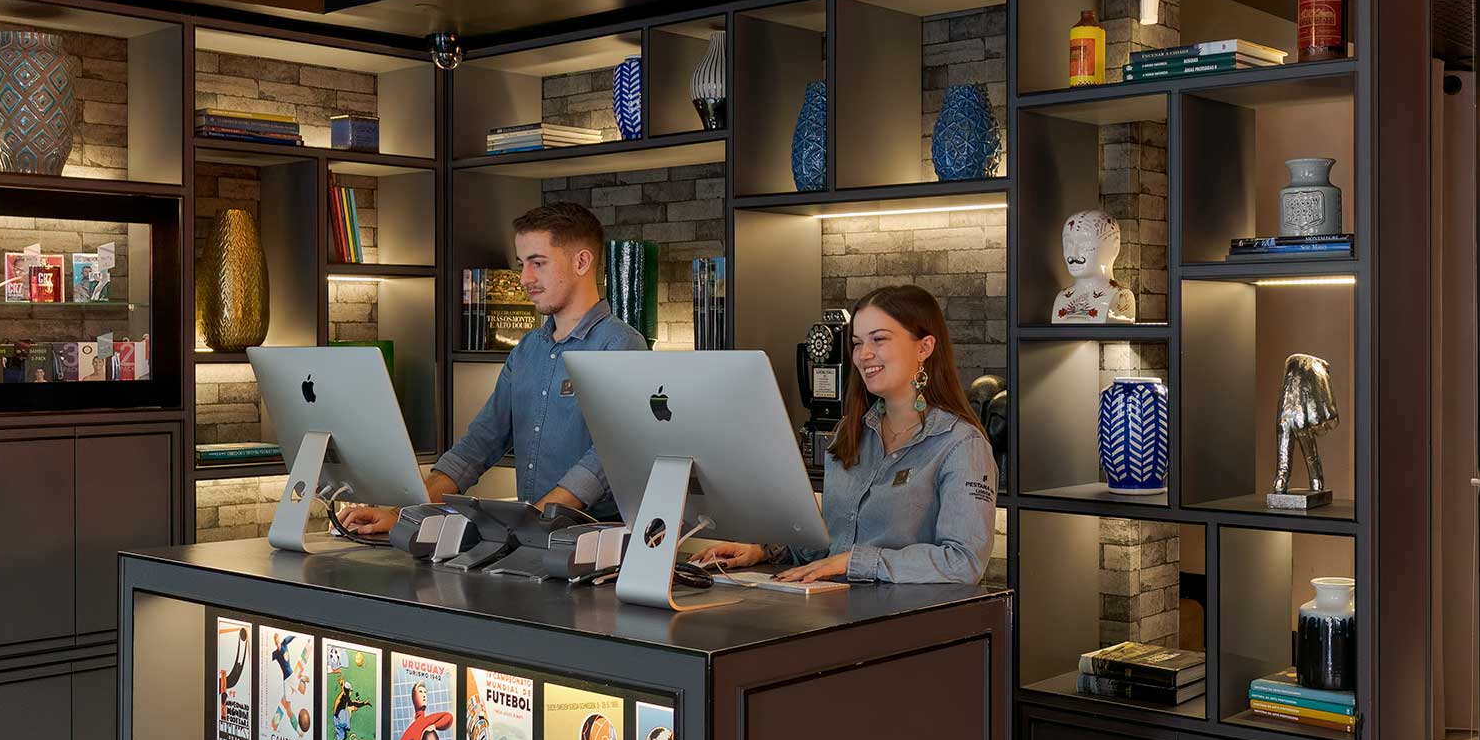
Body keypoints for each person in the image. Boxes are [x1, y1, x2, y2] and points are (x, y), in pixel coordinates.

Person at [338, 202, 644, 537]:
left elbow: (606, 456)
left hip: (596, 542)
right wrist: (405, 515)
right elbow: (480, 444)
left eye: (537, 263)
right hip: (530, 539)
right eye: (522, 264)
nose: (524, 278)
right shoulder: (527, 350)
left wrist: (535, 520)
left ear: (582, 261)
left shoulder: (621, 345)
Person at [696, 285, 994, 584]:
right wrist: (763, 550)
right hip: (832, 613)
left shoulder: (961, 445)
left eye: (878, 339)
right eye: (856, 343)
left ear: (924, 347)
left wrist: (856, 561)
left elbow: (964, 563)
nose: (863, 354)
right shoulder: (848, 434)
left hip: (905, 623)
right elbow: (831, 549)